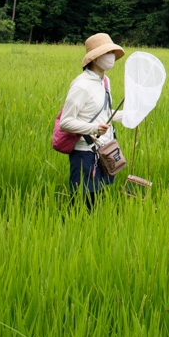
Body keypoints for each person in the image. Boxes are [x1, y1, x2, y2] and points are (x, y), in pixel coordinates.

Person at [58, 32, 124, 208]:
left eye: (112, 53)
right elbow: (65, 122)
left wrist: (128, 116)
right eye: (106, 53)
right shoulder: (81, 86)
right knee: (81, 204)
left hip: (105, 151)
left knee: (99, 201)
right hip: (85, 153)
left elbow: (104, 112)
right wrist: (94, 128)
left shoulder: (105, 81)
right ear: (94, 58)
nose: (111, 57)